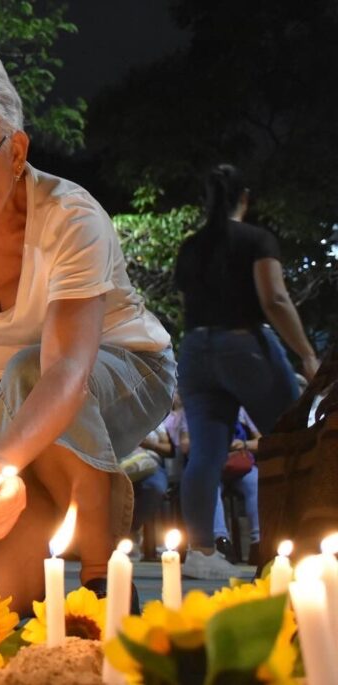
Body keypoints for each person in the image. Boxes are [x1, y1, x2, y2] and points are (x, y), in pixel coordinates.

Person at [0, 47, 175, 611]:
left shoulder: (70, 217)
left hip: (118, 372)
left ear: (15, 150)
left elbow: (66, 369)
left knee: (30, 370)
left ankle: (102, 579)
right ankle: (43, 521)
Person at [175, 163, 317, 579]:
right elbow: (273, 298)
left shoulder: (191, 247)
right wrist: (306, 353)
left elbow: (188, 305)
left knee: (205, 452)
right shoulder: (256, 239)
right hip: (244, 345)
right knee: (294, 437)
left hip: (195, 348)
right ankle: (304, 538)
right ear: (245, 198)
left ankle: (200, 552)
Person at [212, 408, 262, 565]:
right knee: (210, 487)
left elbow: (262, 441)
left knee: (255, 481)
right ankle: (221, 541)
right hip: (213, 464)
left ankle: (259, 542)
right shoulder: (200, 405)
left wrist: (244, 443)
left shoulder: (243, 410)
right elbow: (186, 445)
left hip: (240, 464)